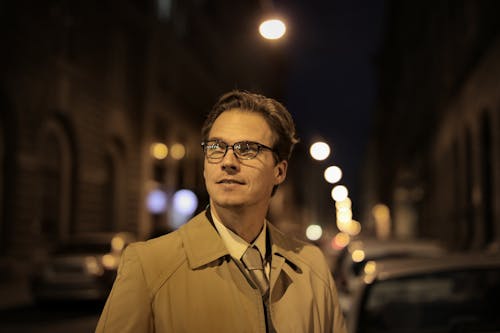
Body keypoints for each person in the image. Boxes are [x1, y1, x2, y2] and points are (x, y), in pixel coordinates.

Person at [95, 90, 347, 333]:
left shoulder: (312, 266)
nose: (227, 162)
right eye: (216, 147)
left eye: (247, 149)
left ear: (279, 171)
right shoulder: (148, 266)